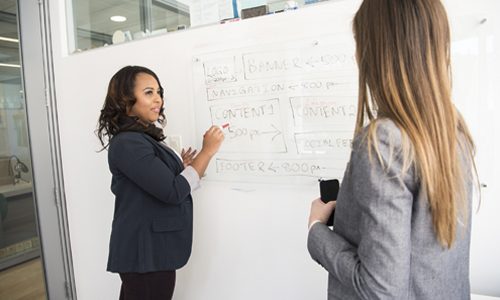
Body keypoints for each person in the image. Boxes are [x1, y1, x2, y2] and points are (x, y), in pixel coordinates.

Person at [307, 1, 478, 299]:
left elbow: (381, 290)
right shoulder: (454, 132)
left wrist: (316, 231)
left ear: (377, 52)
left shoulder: (384, 141)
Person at [96, 65, 224, 299]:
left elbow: (161, 182)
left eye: (159, 92)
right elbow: (173, 191)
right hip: (145, 254)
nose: (158, 99)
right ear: (126, 101)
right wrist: (207, 151)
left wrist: (182, 168)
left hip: (150, 252)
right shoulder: (128, 143)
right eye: (149, 92)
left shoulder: (142, 137)